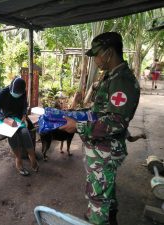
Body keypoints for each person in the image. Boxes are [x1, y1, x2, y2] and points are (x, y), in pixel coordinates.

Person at [59, 32, 140, 225]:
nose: (95, 60)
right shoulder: (112, 77)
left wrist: (78, 125)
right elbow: (101, 110)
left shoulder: (122, 81)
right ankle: (110, 217)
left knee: (98, 197)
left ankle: (97, 220)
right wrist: (79, 114)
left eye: (97, 54)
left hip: (107, 151)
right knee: (105, 192)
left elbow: (117, 121)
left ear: (109, 53)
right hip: (101, 149)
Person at [0, 77, 39, 176]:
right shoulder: (3, 93)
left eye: (20, 93)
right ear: (11, 87)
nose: (17, 95)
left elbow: (24, 105)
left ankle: (32, 157)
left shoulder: (23, 92)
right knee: (12, 134)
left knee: (25, 132)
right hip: (7, 118)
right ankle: (18, 160)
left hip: (19, 119)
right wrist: (2, 118)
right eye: (15, 92)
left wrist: (24, 114)